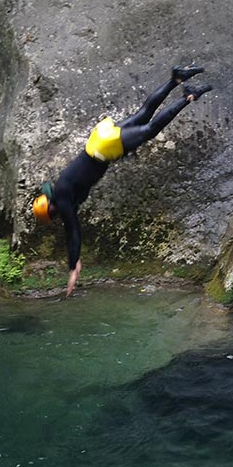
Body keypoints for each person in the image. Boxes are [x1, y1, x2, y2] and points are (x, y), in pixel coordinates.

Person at [32, 65, 212, 295]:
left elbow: (72, 231)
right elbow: (67, 215)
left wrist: (73, 265)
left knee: (150, 128)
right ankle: (176, 79)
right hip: (98, 140)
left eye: (53, 216)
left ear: (52, 210)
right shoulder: (59, 189)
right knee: (144, 112)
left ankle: (189, 97)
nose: (58, 217)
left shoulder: (63, 198)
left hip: (104, 149)